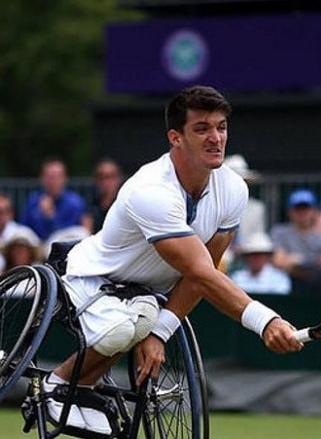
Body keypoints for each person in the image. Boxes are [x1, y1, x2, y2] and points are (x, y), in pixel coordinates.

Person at [44, 86, 303, 435]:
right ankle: (59, 385)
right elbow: (202, 273)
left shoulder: (234, 190)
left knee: (141, 319)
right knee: (126, 326)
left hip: (146, 295)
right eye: (202, 129)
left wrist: (160, 332)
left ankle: (82, 388)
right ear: (175, 137)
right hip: (91, 278)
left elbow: (202, 275)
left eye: (221, 127)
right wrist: (266, 321)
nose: (216, 138)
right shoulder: (151, 191)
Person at [270, 188, 321, 294]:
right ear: (290, 212)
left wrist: (297, 261)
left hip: (317, 287)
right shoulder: (279, 232)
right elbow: (279, 262)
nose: (302, 213)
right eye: (298, 209)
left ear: (314, 212)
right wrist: (313, 262)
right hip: (287, 285)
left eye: (306, 208)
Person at [20, 157, 87, 241]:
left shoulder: (75, 203)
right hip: (37, 246)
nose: (54, 181)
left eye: (58, 177)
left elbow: (72, 232)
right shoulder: (33, 201)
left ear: (65, 178)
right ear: (42, 179)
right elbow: (24, 229)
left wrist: (50, 216)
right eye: (50, 177)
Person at [222, 154, 268, 272]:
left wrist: (245, 248)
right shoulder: (214, 205)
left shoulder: (257, 208)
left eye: (243, 181)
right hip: (219, 257)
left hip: (248, 257)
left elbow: (258, 237)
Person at [81, 157, 124, 235]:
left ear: (118, 178)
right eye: (101, 177)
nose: (105, 182)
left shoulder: (124, 204)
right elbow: (86, 232)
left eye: (109, 177)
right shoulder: (91, 203)